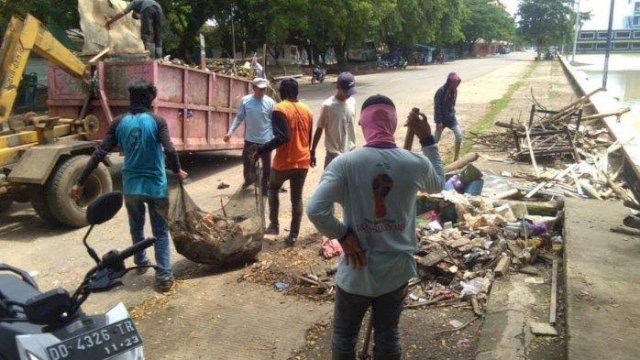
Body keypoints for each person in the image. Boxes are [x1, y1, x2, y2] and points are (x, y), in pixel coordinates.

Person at [306, 95, 444, 359]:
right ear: (392, 125)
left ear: (362, 124)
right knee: (388, 337)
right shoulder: (414, 163)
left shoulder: (345, 164)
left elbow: (316, 210)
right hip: (395, 273)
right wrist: (427, 139)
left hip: (356, 272)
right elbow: (438, 183)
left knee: (344, 338)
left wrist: (343, 234)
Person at [70, 79, 188, 293]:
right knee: (160, 232)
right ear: (149, 100)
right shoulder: (158, 121)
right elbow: (169, 150)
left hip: (131, 186)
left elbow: (99, 153)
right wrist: (178, 170)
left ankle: (141, 262)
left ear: (131, 99)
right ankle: (163, 277)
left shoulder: (118, 123)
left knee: (136, 226)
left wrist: (79, 182)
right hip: (155, 186)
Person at [257, 78, 313, 246]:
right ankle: (293, 236)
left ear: (282, 92)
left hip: (284, 162)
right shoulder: (307, 110)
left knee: (272, 188)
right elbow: (308, 138)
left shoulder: (279, 109)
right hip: (303, 160)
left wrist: (261, 150)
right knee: (297, 199)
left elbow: (282, 137)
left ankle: (274, 225)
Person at [224, 78, 275, 193]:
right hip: (250, 140)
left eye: (264, 89)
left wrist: (275, 139)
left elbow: (274, 121)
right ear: (253, 88)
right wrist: (230, 132)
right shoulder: (246, 101)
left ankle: (265, 188)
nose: (262, 91)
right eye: (260, 88)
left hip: (266, 141)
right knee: (247, 164)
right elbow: (239, 117)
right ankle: (249, 180)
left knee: (267, 167)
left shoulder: (270, 102)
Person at [310, 72, 357, 169]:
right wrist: (313, 150)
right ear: (338, 88)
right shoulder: (328, 106)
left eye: (351, 91)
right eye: (347, 91)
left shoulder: (352, 102)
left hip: (351, 152)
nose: (349, 94)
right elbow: (319, 128)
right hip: (333, 155)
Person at [433, 72, 463, 161]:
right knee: (435, 141)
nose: (456, 85)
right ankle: (430, 158)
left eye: (457, 83)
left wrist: (452, 114)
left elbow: (452, 105)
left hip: (451, 119)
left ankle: (456, 158)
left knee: (459, 135)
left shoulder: (455, 92)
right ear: (449, 82)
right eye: (455, 83)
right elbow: (437, 107)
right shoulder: (440, 92)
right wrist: (438, 122)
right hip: (441, 120)